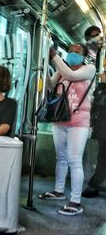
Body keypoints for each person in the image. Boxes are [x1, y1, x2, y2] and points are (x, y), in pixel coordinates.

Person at [38, 43, 96, 216]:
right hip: (60, 119)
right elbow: (50, 85)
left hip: (78, 122)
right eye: (70, 51)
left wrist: (54, 55)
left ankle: (75, 201)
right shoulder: (62, 69)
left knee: (74, 160)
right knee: (61, 158)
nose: (72, 54)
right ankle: (58, 191)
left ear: (84, 55)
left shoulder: (89, 69)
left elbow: (71, 75)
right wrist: (44, 69)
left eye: (77, 51)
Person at [82, 26, 105, 198]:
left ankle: (94, 183)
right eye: (92, 37)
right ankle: (94, 182)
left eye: (98, 36)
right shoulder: (88, 59)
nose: (96, 39)